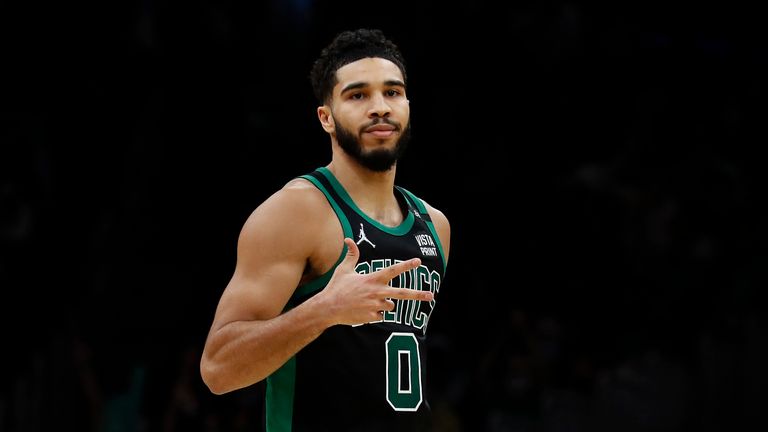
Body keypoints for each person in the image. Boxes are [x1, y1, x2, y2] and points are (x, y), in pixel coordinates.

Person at [200, 28, 450, 432]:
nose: (380, 108)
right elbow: (218, 368)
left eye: (392, 92)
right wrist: (323, 311)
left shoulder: (435, 224)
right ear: (326, 118)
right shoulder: (298, 209)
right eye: (357, 95)